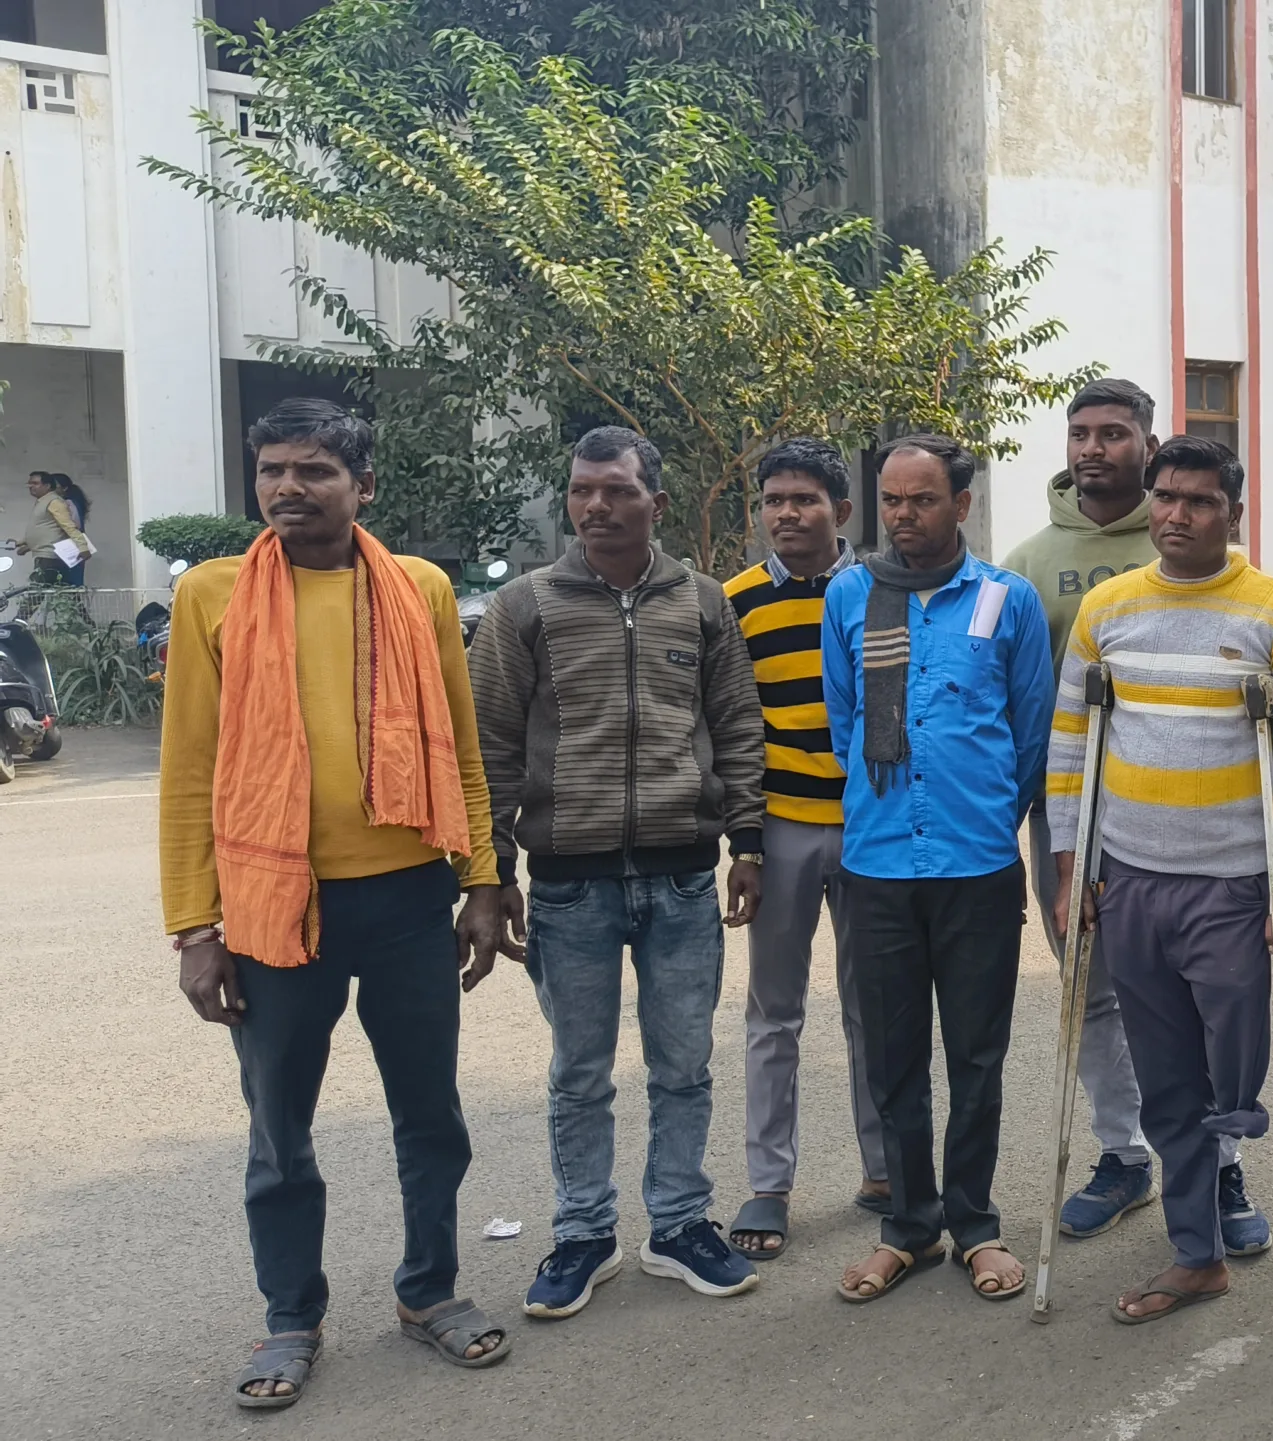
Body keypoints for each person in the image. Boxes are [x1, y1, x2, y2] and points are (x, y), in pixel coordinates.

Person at [161, 399, 511, 1408]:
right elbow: (189, 770)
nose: (287, 488)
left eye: (313, 470)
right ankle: (290, 1316)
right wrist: (194, 927)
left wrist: (482, 881)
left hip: (406, 898)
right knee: (279, 1129)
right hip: (274, 906)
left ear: (364, 486)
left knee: (430, 1114)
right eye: (272, 469)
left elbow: (460, 746)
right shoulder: (213, 596)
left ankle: (430, 1290)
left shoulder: (419, 589)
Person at [470, 426, 768, 1318]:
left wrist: (746, 842)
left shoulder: (703, 604)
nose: (595, 506)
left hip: (683, 879)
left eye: (616, 491)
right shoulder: (524, 607)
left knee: (685, 1064)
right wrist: (491, 871)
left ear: (656, 503)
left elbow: (737, 725)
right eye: (581, 490)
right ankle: (582, 1233)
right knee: (579, 1071)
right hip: (571, 885)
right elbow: (490, 747)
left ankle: (678, 1224)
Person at [1045, 434, 1273, 1323]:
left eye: (1200, 501)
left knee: (1229, 1068)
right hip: (1130, 876)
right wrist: (1071, 870)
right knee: (1165, 1072)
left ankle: (1224, 1175)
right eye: (1165, 496)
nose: (1177, 514)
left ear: (1232, 513)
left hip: (1234, 884)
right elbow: (1070, 745)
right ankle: (1197, 1250)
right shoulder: (1108, 608)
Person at [1003, 379, 1265, 1250]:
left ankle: (1219, 1161)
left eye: (1113, 433)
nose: (1092, 448)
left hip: (1196, 821)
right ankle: (1124, 1152)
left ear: (1148, 447)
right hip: (1077, 811)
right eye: (1080, 432)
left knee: (1199, 1005)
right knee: (1095, 994)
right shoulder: (1030, 562)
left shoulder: (1198, 541)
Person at [824, 435, 1053, 1305]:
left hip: (977, 864)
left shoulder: (1007, 598)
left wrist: (986, 810)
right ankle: (910, 1228)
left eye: (922, 500)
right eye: (891, 499)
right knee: (892, 1059)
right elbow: (846, 718)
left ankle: (975, 1224)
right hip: (878, 864)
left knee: (976, 1054)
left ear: (961, 504)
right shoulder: (850, 595)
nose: (903, 516)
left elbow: (1030, 733)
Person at [718, 438, 890, 1260]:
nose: (786, 514)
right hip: (781, 828)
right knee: (773, 1012)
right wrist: (746, 845)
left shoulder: (883, 592)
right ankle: (768, 1182)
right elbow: (733, 730)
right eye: (774, 500)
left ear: (841, 511)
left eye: (805, 500)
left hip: (870, 828)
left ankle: (886, 1170)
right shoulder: (736, 602)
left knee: (874, 1006)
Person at [18, 470, 94, 585]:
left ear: (47, 486)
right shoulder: (43, 501)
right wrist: (22, 543)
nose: (31, 486)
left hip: (51, 557)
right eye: (29, 483)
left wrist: (83, 547)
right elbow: (43, 529)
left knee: (41, 591)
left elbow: (69, 527)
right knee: (42, 590)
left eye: (35, 483)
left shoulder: (54, 502)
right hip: (43, 555)